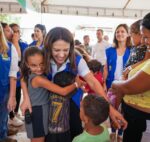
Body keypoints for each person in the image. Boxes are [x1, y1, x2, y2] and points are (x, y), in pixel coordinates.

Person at [21, 27, 127, 140]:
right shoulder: (41, 56)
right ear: (48, 47)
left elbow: (93, 82)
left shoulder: (77, 60)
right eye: (56, 50)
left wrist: (110, 109)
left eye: (65, 50)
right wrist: (26, 98)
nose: (61, 55)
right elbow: (24, 75)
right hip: (47, 107)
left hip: (72, 107)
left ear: (71, 47)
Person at [20, 46, 82, 142]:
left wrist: (25, 97)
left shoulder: (31, 74)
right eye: (34, 65)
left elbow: (22, 78)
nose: (39, 68)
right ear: (27, 64)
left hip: (40, 111)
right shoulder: (38, 79)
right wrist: (76, 84)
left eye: (42, 64)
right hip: (37, 113)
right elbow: (63, 91)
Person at [111, 12, 150, 142]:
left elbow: (128, 87)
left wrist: (115, 84)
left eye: (148, 37)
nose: (145, 41)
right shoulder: (142, 50)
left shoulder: (139, 50)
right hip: (133, 113)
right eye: (144, 37)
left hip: (140, 115)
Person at [46, 71, 78, 142]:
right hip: (63, 130)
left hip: (50, 131)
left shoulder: (49, 93)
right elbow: (74, 90)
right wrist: (76, 84)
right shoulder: (67, 95)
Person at [0, 23, 18, 142]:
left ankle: (2, 135)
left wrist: (12, 96)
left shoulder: (10, 48)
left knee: (3, 114)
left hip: (4, 90)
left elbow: (13, 74)